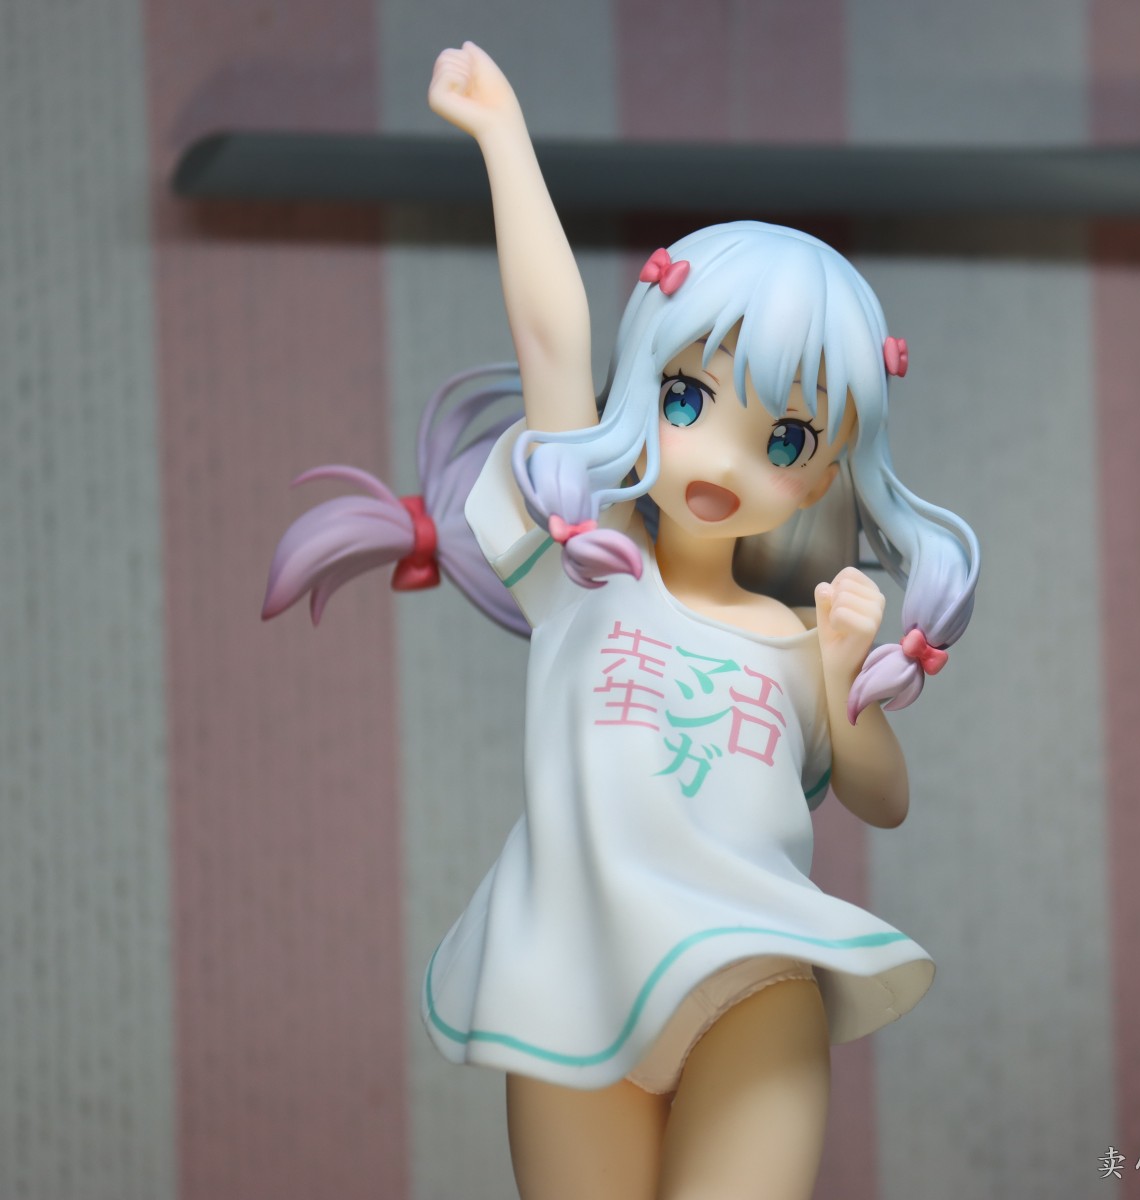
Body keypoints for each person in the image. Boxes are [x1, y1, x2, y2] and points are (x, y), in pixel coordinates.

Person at [262, 41, 979, 1200]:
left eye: (784, 439)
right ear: (642, 385)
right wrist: (503, 138)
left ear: (828, 465)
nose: (723, 461)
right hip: (572, 976)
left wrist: (846, 663)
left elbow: (882, 797)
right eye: (687, 398)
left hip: (753, 978)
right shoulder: (585, 564)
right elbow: (552, 339)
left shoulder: (799, 639)